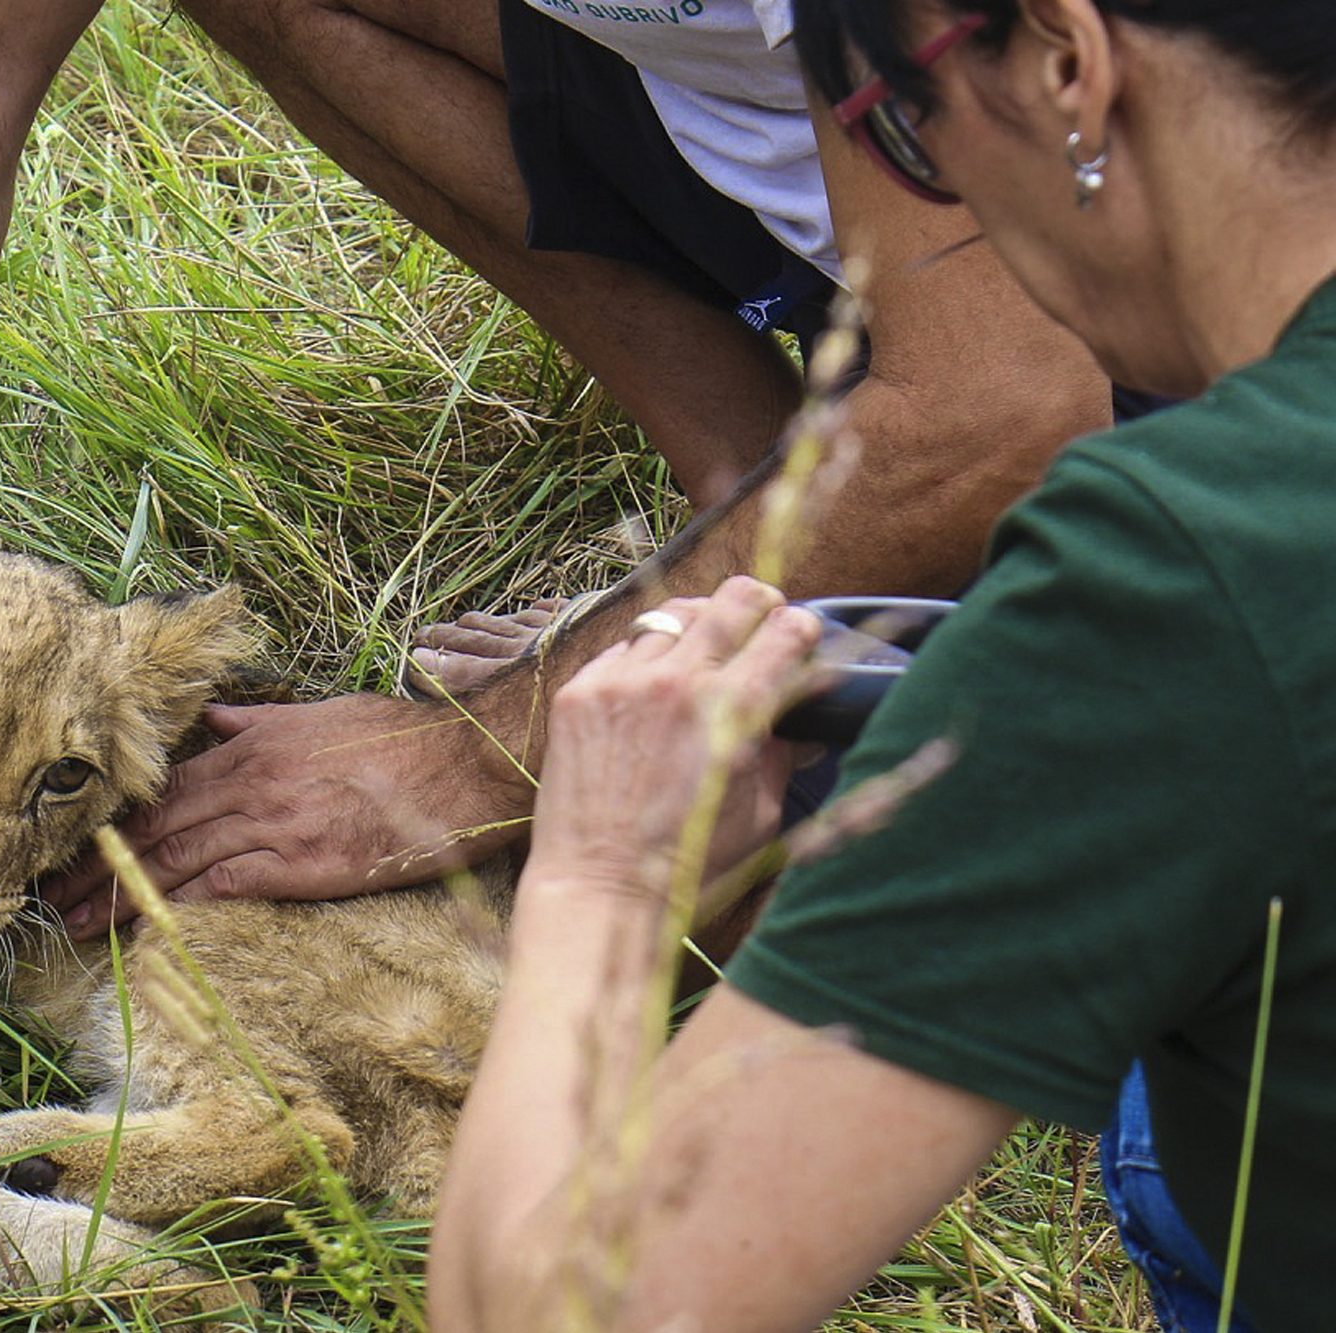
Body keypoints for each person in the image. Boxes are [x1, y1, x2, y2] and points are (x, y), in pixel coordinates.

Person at [0, 0, 1114, 918]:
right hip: (866, 153)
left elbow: (1013, 401)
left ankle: (834, 584)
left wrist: (474, 756)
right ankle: (757, 486)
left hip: (1157, 319)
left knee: (812, 865)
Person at [429, 2, 1336, 1331]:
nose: (943, 193)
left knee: (1165, 1155)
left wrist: (601, 876)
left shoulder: (1175, 569)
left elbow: (563, 1315)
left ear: (1067, 62)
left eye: (900, 132)